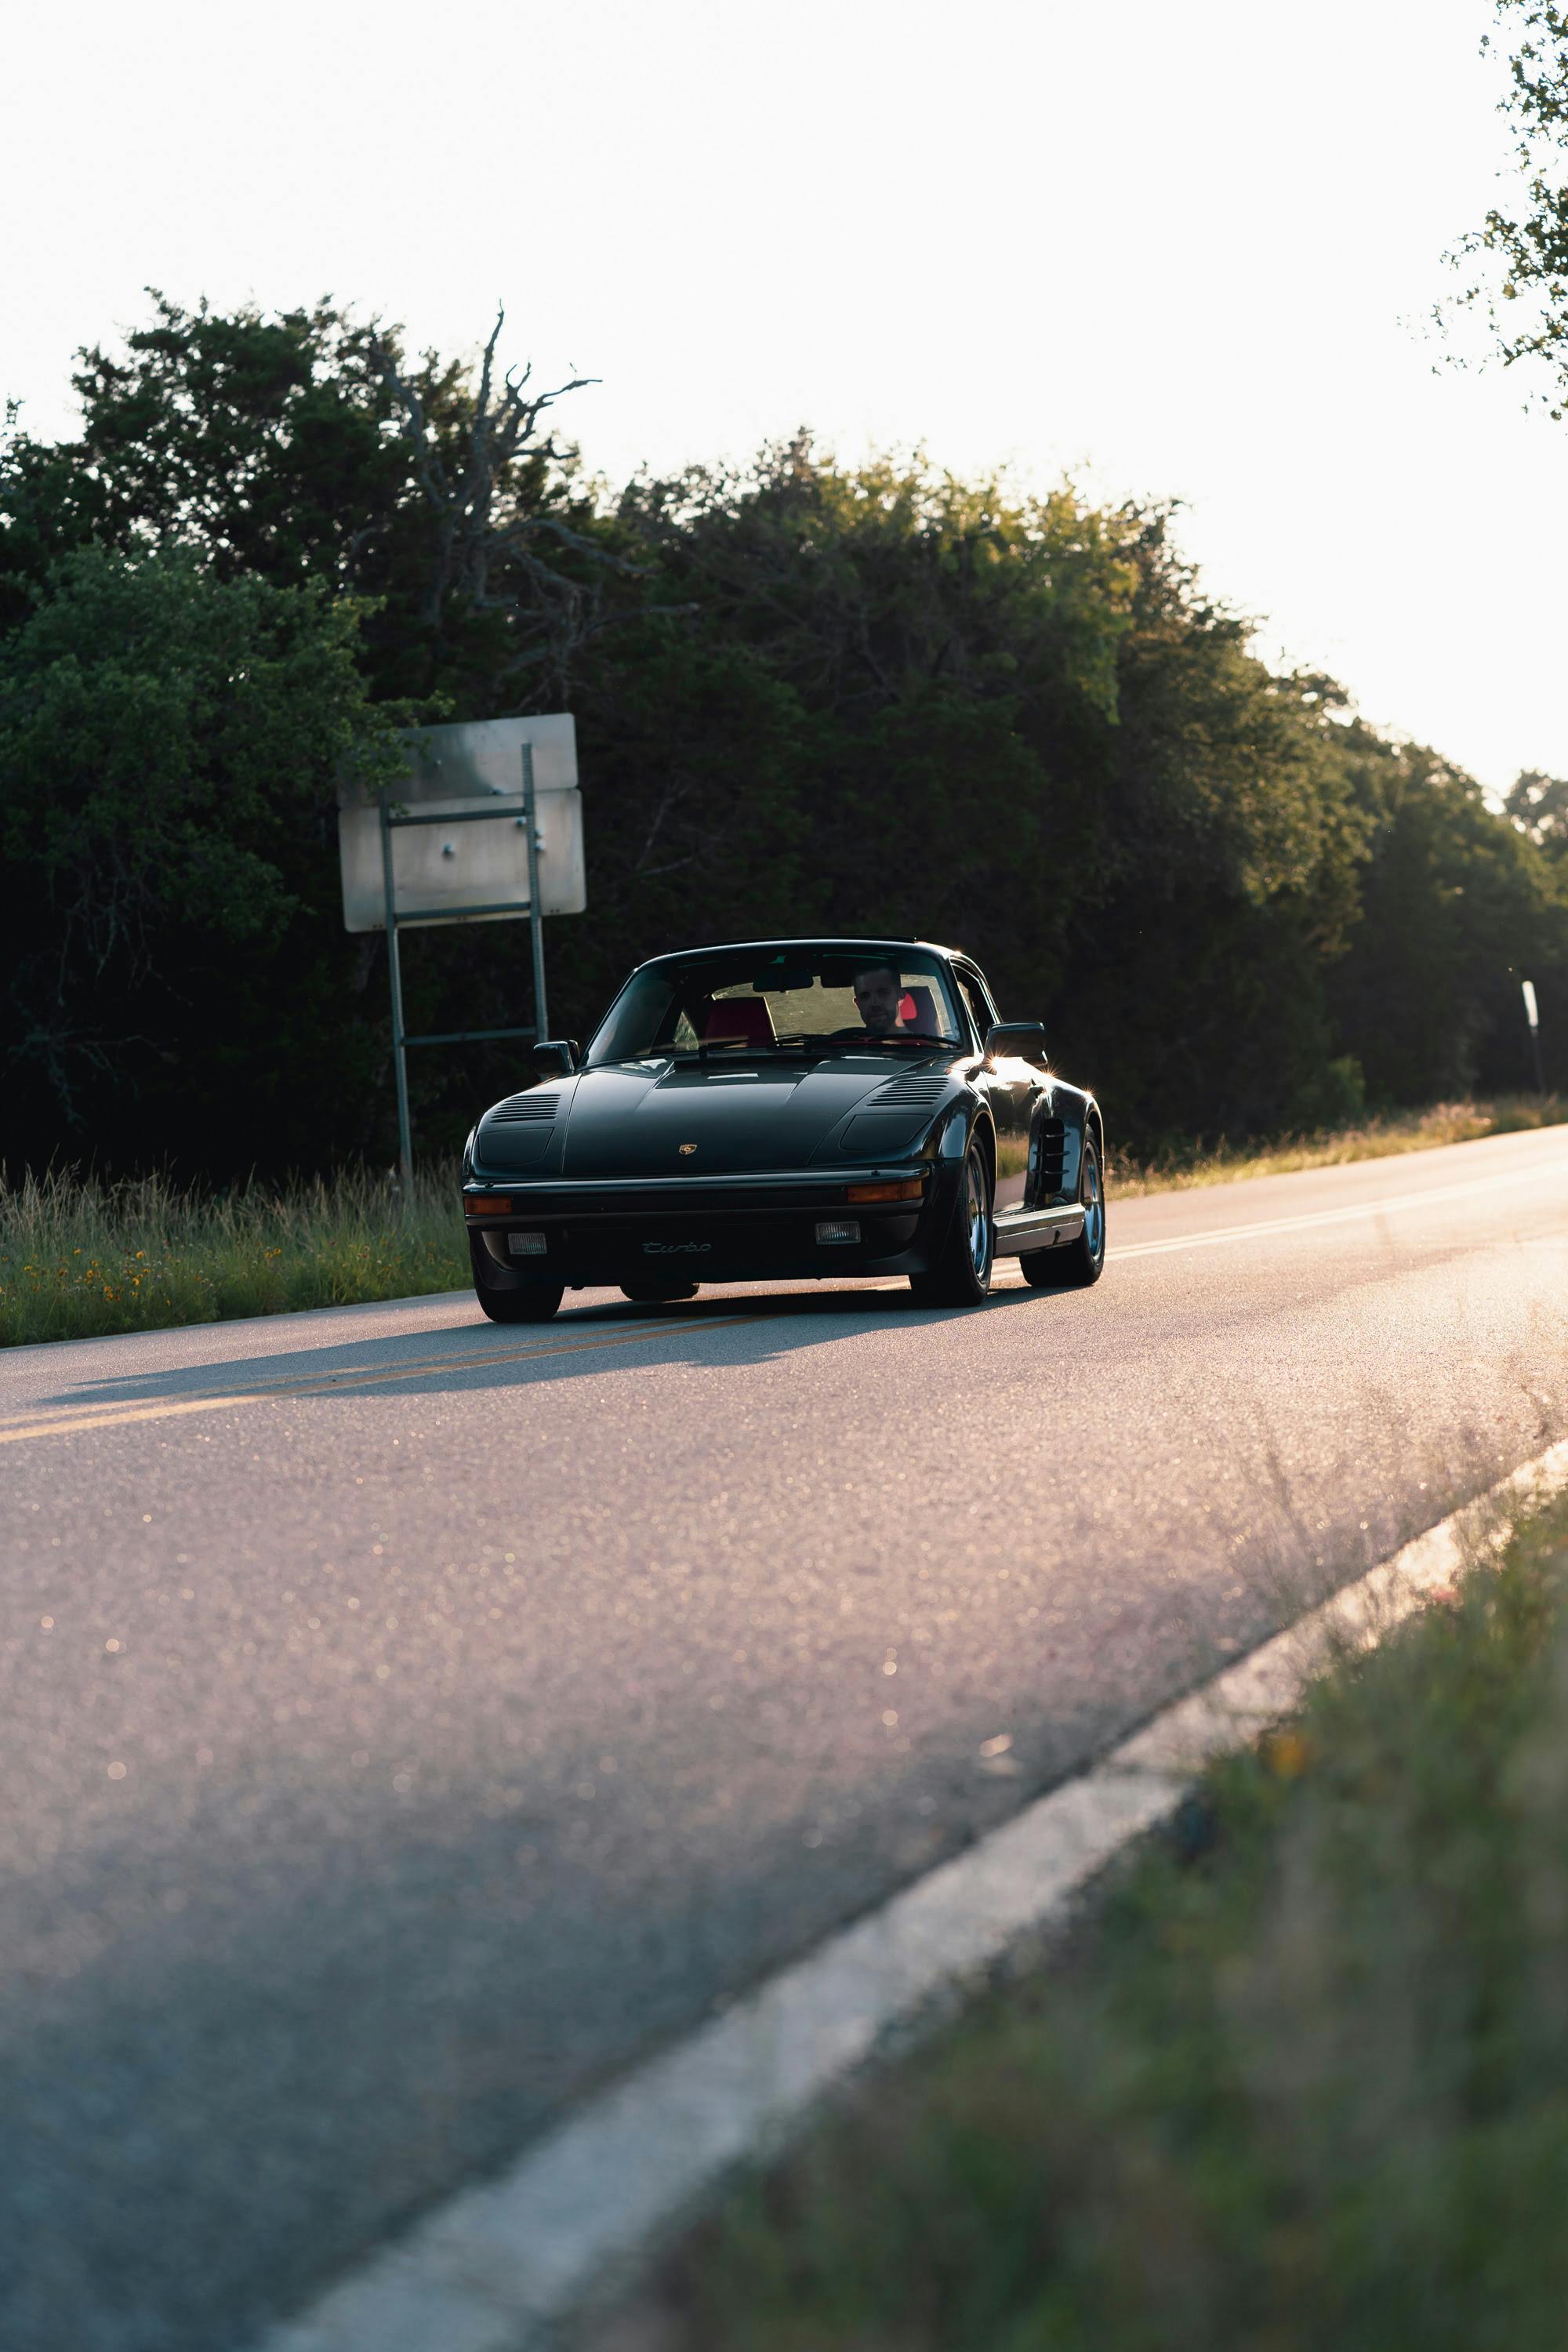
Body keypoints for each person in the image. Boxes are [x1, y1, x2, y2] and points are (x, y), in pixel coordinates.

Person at [851, 960, 906, 1036]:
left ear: (900, 996)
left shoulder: (921, 1044)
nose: (875, 1004)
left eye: (883, 993)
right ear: (858, 1004)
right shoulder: (843, 1045)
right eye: (865, 997)